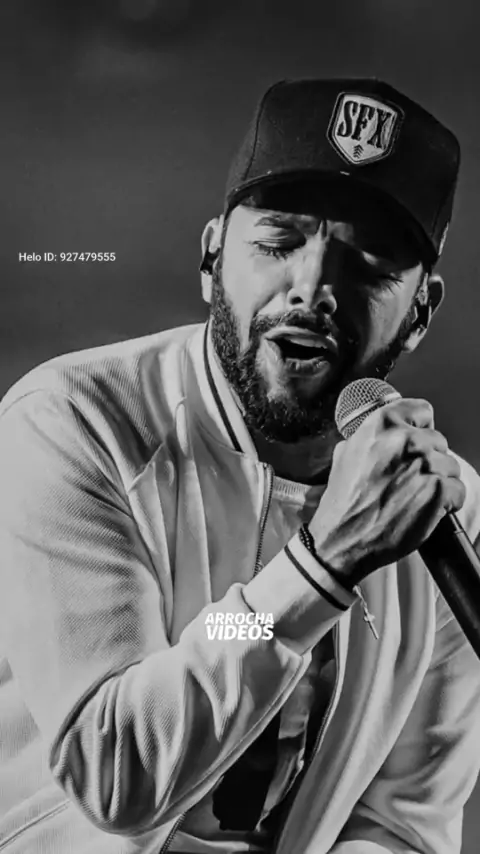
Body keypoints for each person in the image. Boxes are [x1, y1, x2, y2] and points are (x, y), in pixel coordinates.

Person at [0, 77, 479, 854]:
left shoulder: (453, 508)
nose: (313, 289)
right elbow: (116, 774)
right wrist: (324, 565)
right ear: (212, 257)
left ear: (420, 311)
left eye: (368, 263)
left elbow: (403, 822)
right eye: (278, 243)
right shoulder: (73, 422)